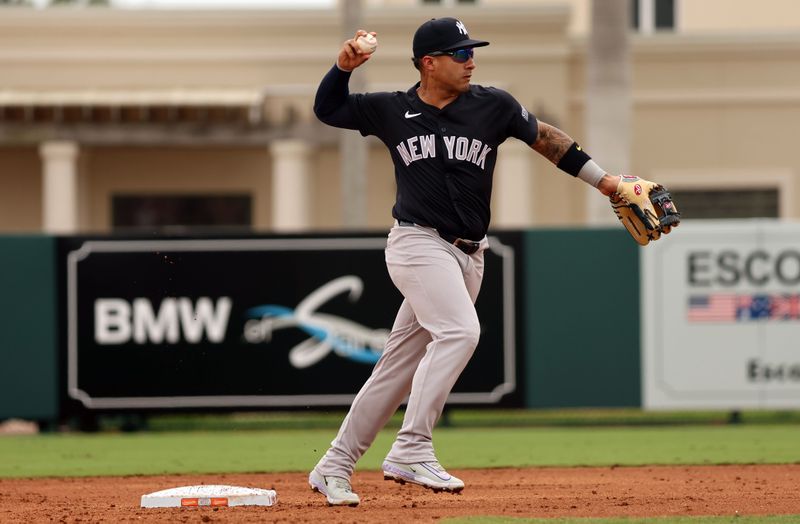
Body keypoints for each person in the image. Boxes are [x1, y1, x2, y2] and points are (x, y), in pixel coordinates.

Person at [308, 17, 623, 506]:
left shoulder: (491, 105)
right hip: (416, 243)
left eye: (470, 51)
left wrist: (607, 183)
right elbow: (328, 109)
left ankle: (335, 465)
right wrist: (341, 68)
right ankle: (411, 447)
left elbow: (546, 138)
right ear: (429, 63)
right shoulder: (392, 109)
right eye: (459, 54)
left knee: (396, 367)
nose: (470, 60)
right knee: (460, 332)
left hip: (469, 255)